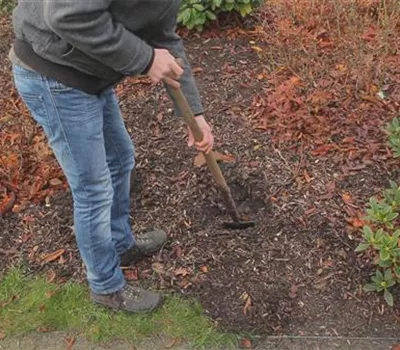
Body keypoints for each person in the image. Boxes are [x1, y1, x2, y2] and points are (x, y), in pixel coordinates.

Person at [9, 0, 214, 313]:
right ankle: (105, 287)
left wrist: (195, 114)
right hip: (53, 73)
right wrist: (146, 59)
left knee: (120, 160)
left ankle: (119, 243)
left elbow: (164, 37)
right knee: (93, 188)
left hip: (92, 71)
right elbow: (68, 15)